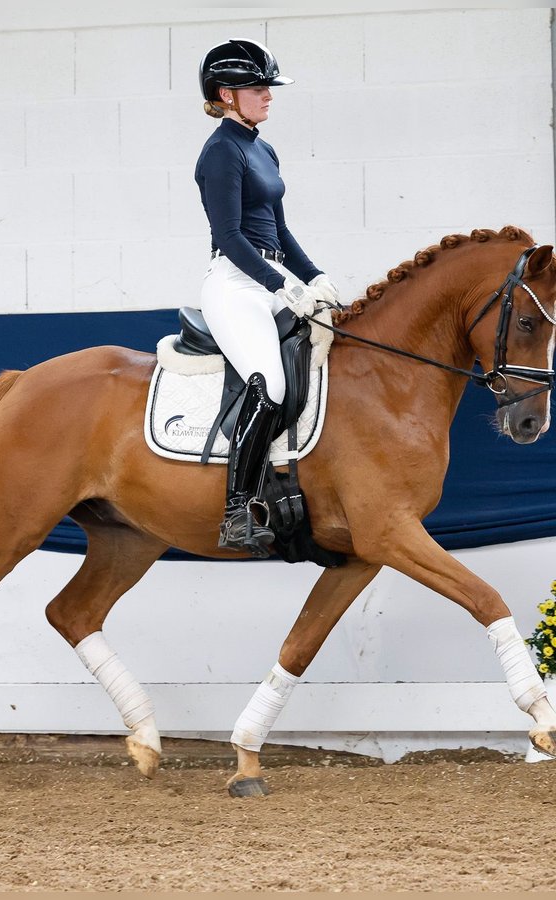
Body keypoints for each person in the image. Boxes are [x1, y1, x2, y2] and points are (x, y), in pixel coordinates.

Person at [195, 38, 340, 558]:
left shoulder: (263, 147)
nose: (268, 96)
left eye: (268, 87)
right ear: (226, 94)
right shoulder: (220, 151)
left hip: (272, 275)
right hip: (235, 282)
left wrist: (314, 277)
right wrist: (282, 286)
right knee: (271, 382)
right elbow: (232, 237)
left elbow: (279, 228)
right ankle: (237, 511)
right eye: (259, 88)